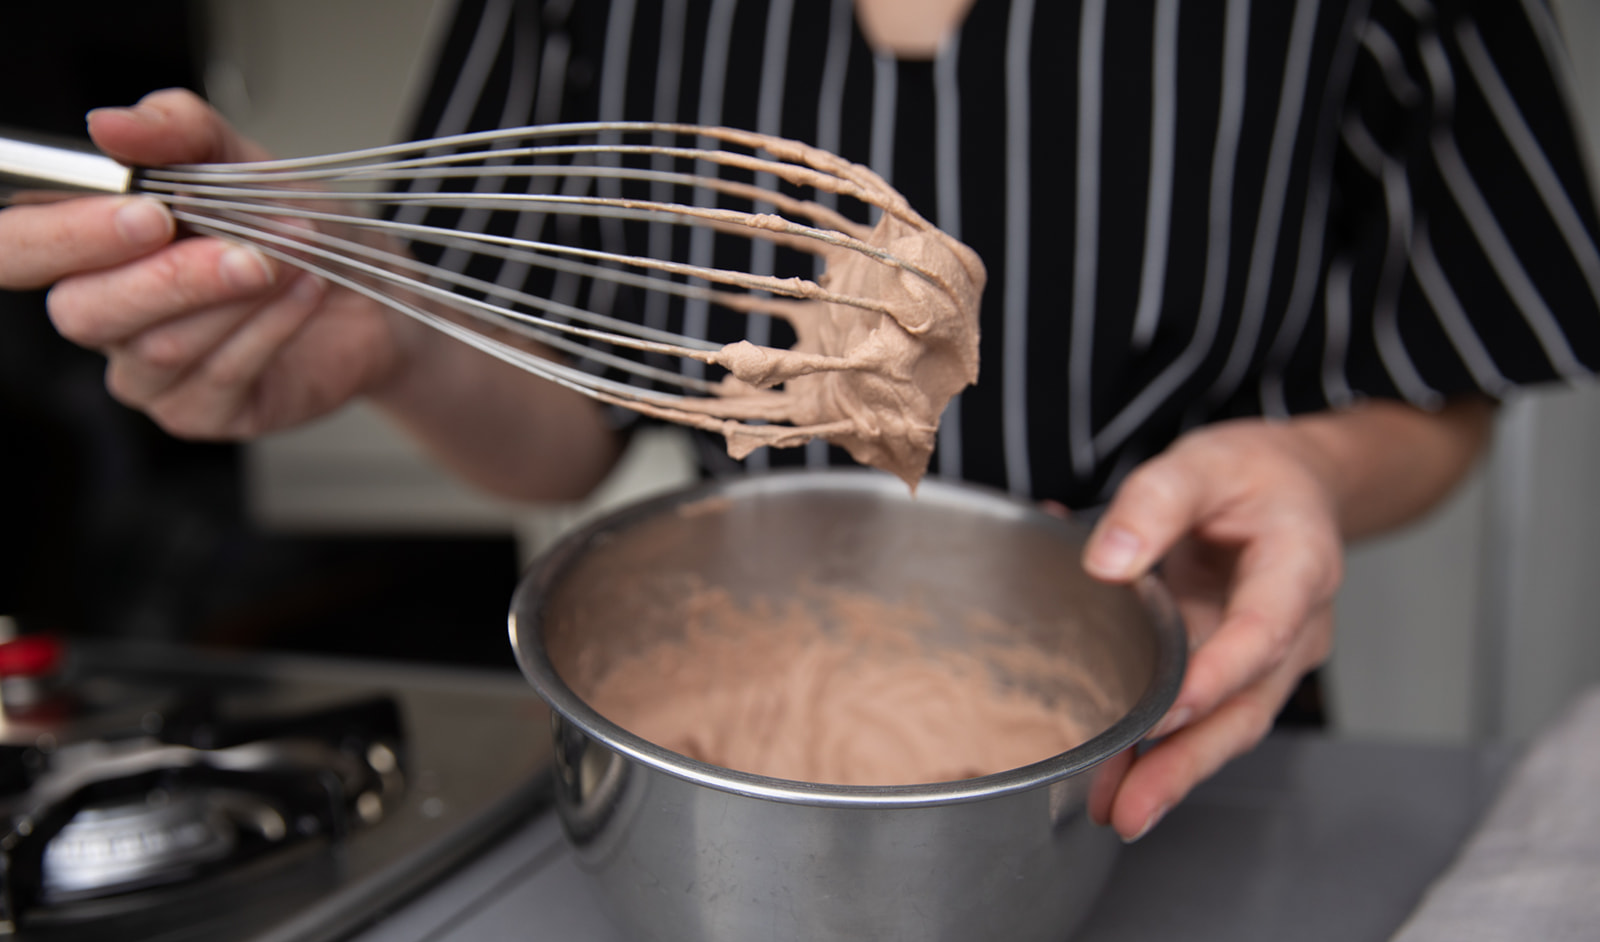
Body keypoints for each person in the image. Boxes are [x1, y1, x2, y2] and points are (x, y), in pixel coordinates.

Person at [2, 0, 1595, 844]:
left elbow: (1445, 352)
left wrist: (1304, 464)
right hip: (721, 788)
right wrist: (392, 347)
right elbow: (560, 430)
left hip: (1184, 748)